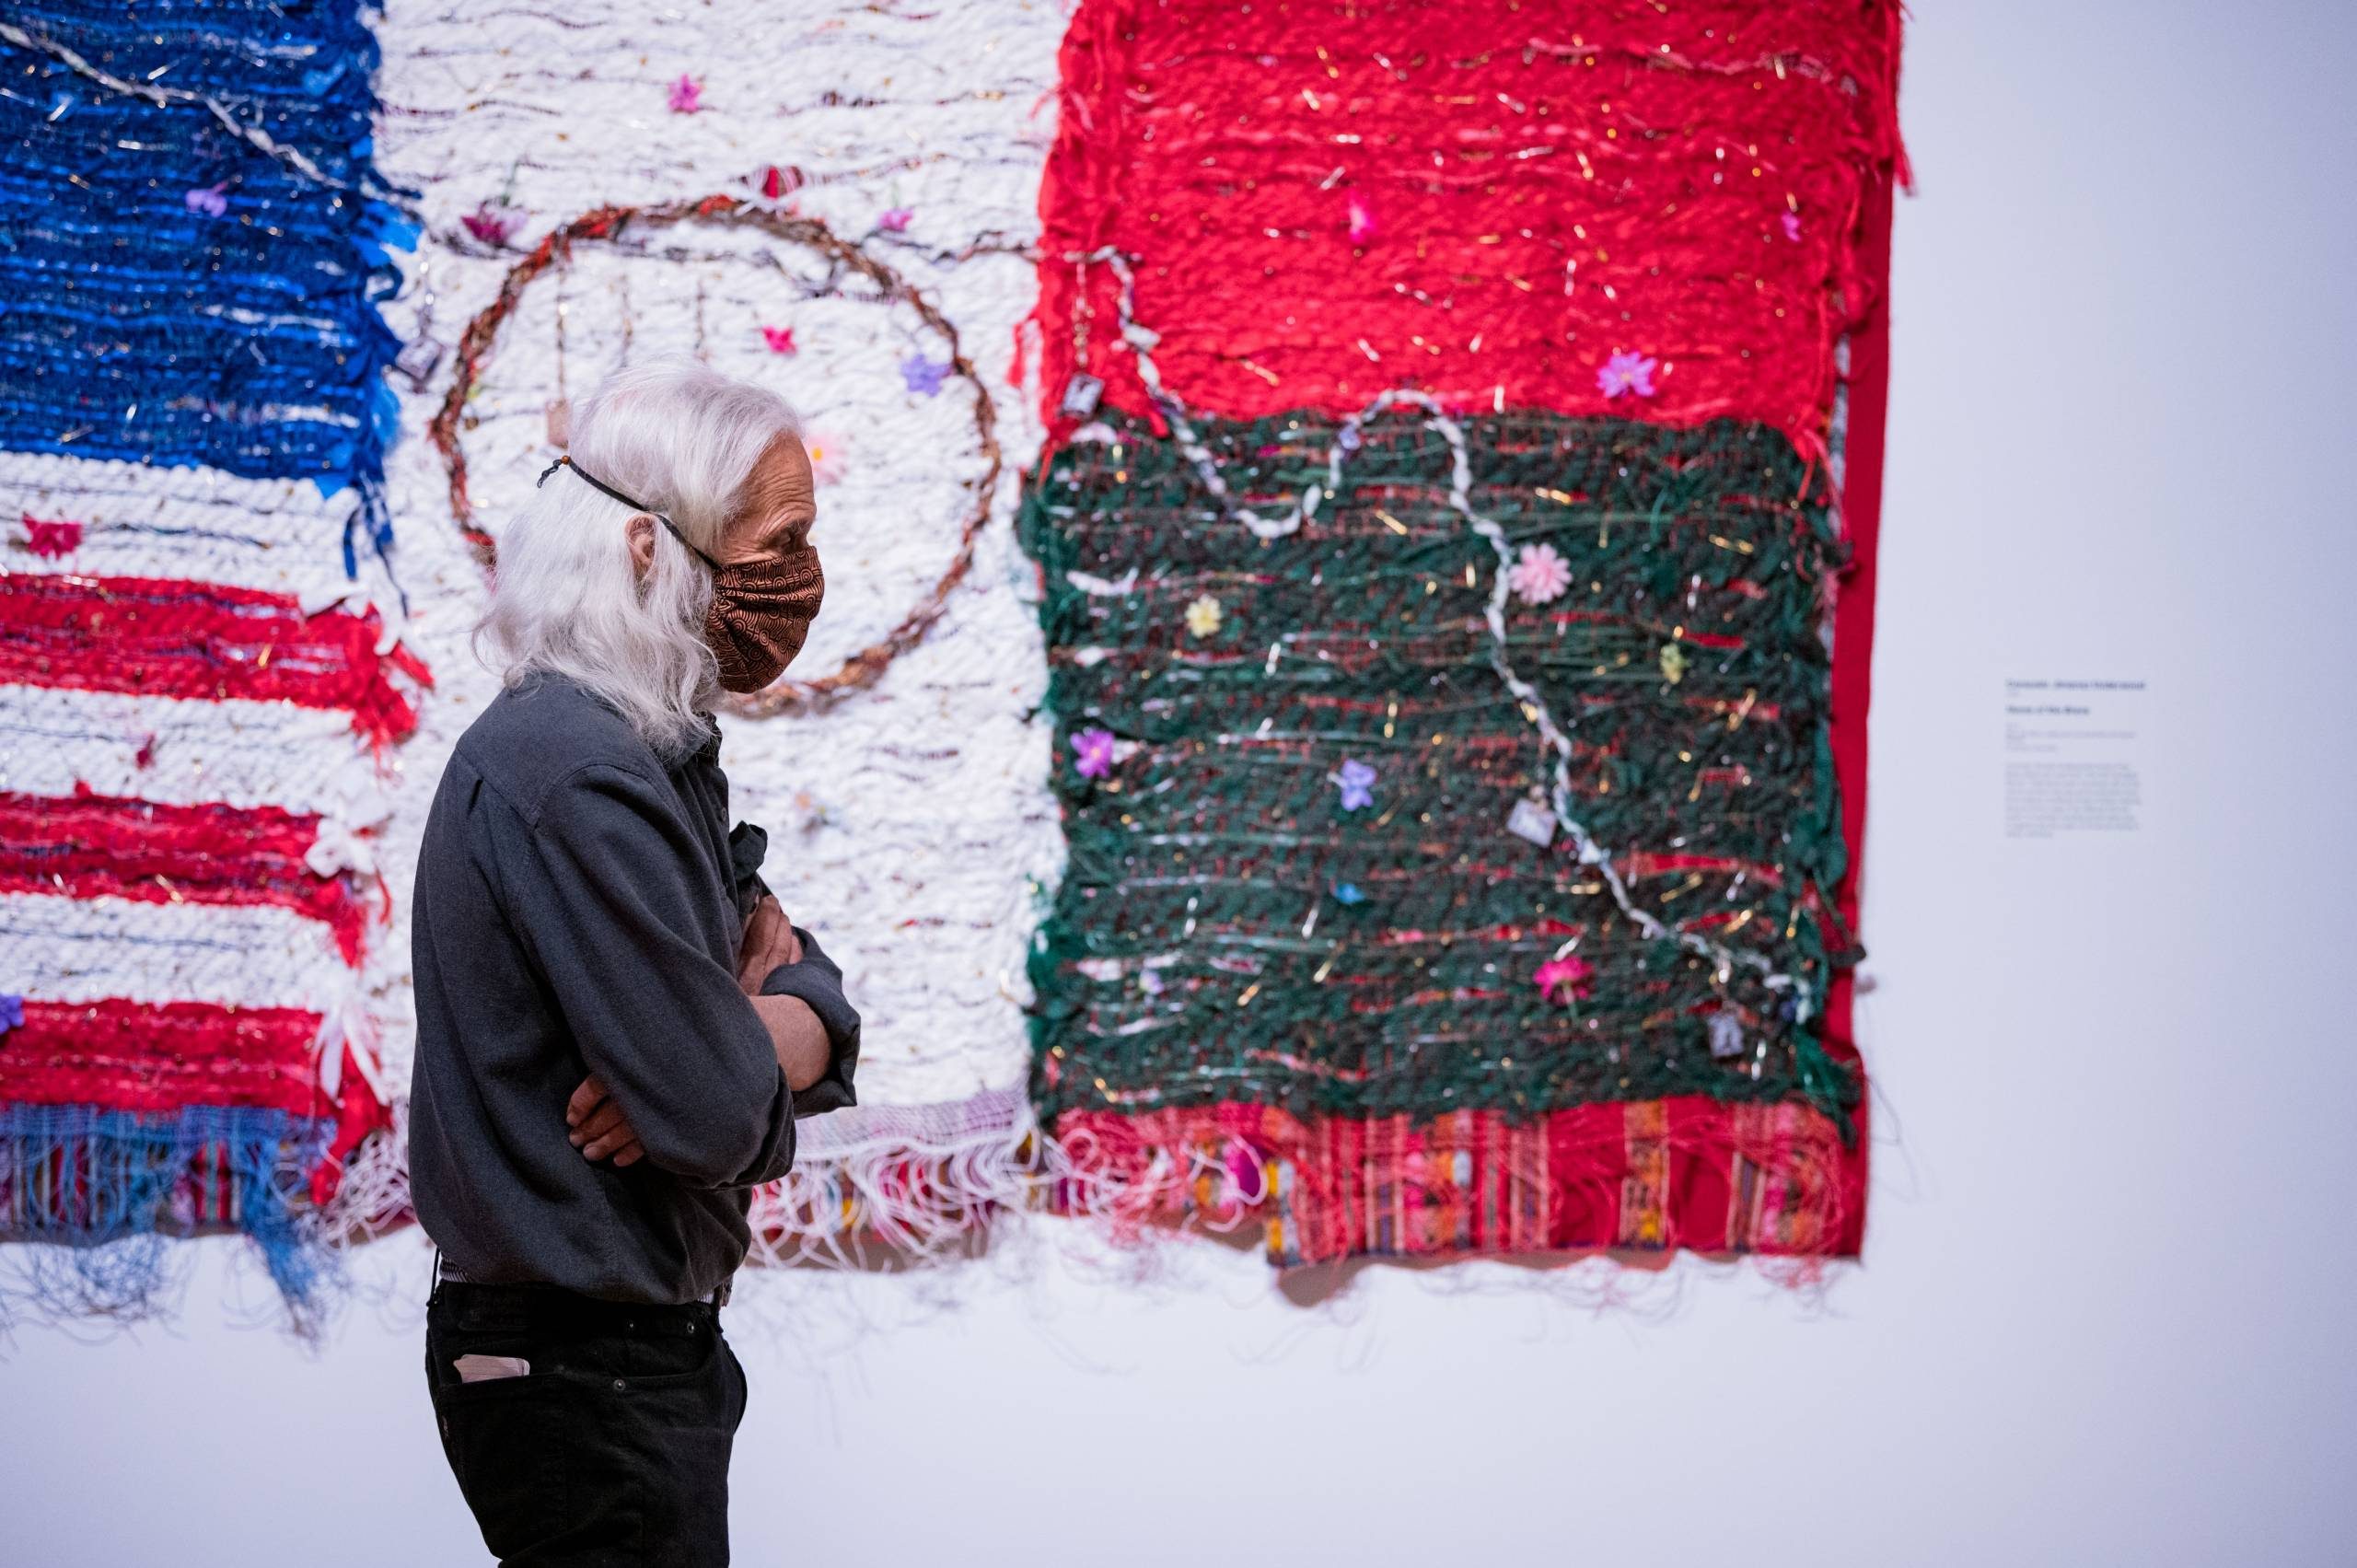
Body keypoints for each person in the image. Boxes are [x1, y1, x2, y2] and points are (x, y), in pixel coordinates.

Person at [408, 357, 859, 1566]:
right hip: (580, 1371)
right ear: (652, 550)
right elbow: (715, 1113)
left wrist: (755, 1022)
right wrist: (726, 1041)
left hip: (632, 1361)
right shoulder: (576, 769)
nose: (798, 578)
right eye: (776, 542)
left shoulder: (649, 752)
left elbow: (794, 977)